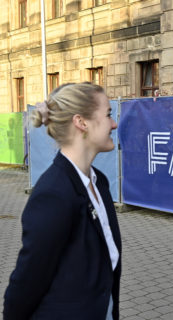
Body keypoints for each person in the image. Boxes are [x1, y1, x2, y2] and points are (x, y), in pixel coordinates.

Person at [3, 82, 122, 320]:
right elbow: (28, 281)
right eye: (108, 115)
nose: (114, 123)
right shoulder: (53, 193)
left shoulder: (100, 183)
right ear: (81, 122)